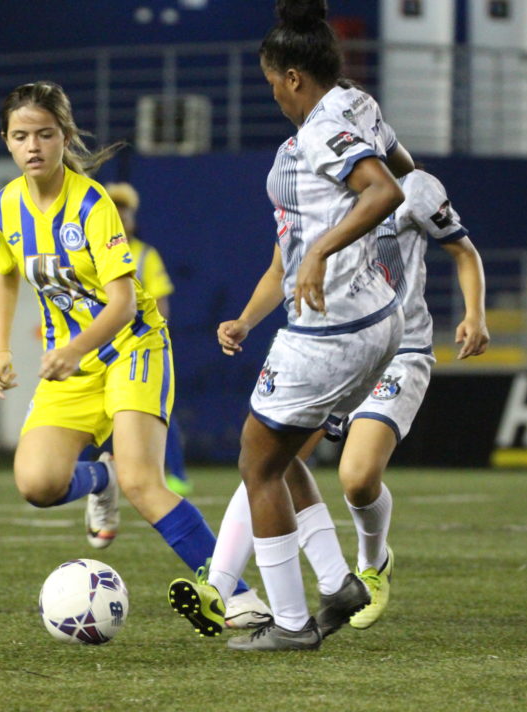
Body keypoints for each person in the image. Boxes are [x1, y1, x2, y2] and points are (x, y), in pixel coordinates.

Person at [169, 0, 413, 651]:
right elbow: (406, 171)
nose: (272, 92)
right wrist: (251, 316)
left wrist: (327, 251)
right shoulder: (357, 103)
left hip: (331, 328)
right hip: (374, 317)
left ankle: (291, 623)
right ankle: (337, 584)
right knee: (280, 452)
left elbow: (385, 189)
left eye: (273, 80)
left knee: (257, 462)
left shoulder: (320, 130)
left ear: (295, 77)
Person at [0, 81, 269, 624]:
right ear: (6, 141)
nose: (33, 146)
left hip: (132, 347)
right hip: (75, 363)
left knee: (145, 482)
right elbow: (3, 273)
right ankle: (102, 478)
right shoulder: (3, 208)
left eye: (45, 134)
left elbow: (121, 303)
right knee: (37, 485)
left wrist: (74, 348)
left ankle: (239, 599)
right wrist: (1, 350)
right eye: (20, 136)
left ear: (64, 136)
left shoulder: (93, 205)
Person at [184, 166, 490, 643]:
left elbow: (463, 250)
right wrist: (245, 320)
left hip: (399, 348)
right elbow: (281, 269)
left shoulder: (414, 186)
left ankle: (372, 564)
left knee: (357, 478)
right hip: (333, 349)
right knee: (272, 461)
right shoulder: (313, 188)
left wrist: (475, 315)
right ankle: (221, 586)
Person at [103, 181, 193, 497]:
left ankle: (177, 474)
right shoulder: (93, 252)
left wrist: (158, 336)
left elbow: (160, 299)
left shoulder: (144, 255)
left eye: (126, 215)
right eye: (116, 214)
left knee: (158, 411)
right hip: (101, 346)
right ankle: (84, 472)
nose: (122, 220)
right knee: (94, 413)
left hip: (138, 346)